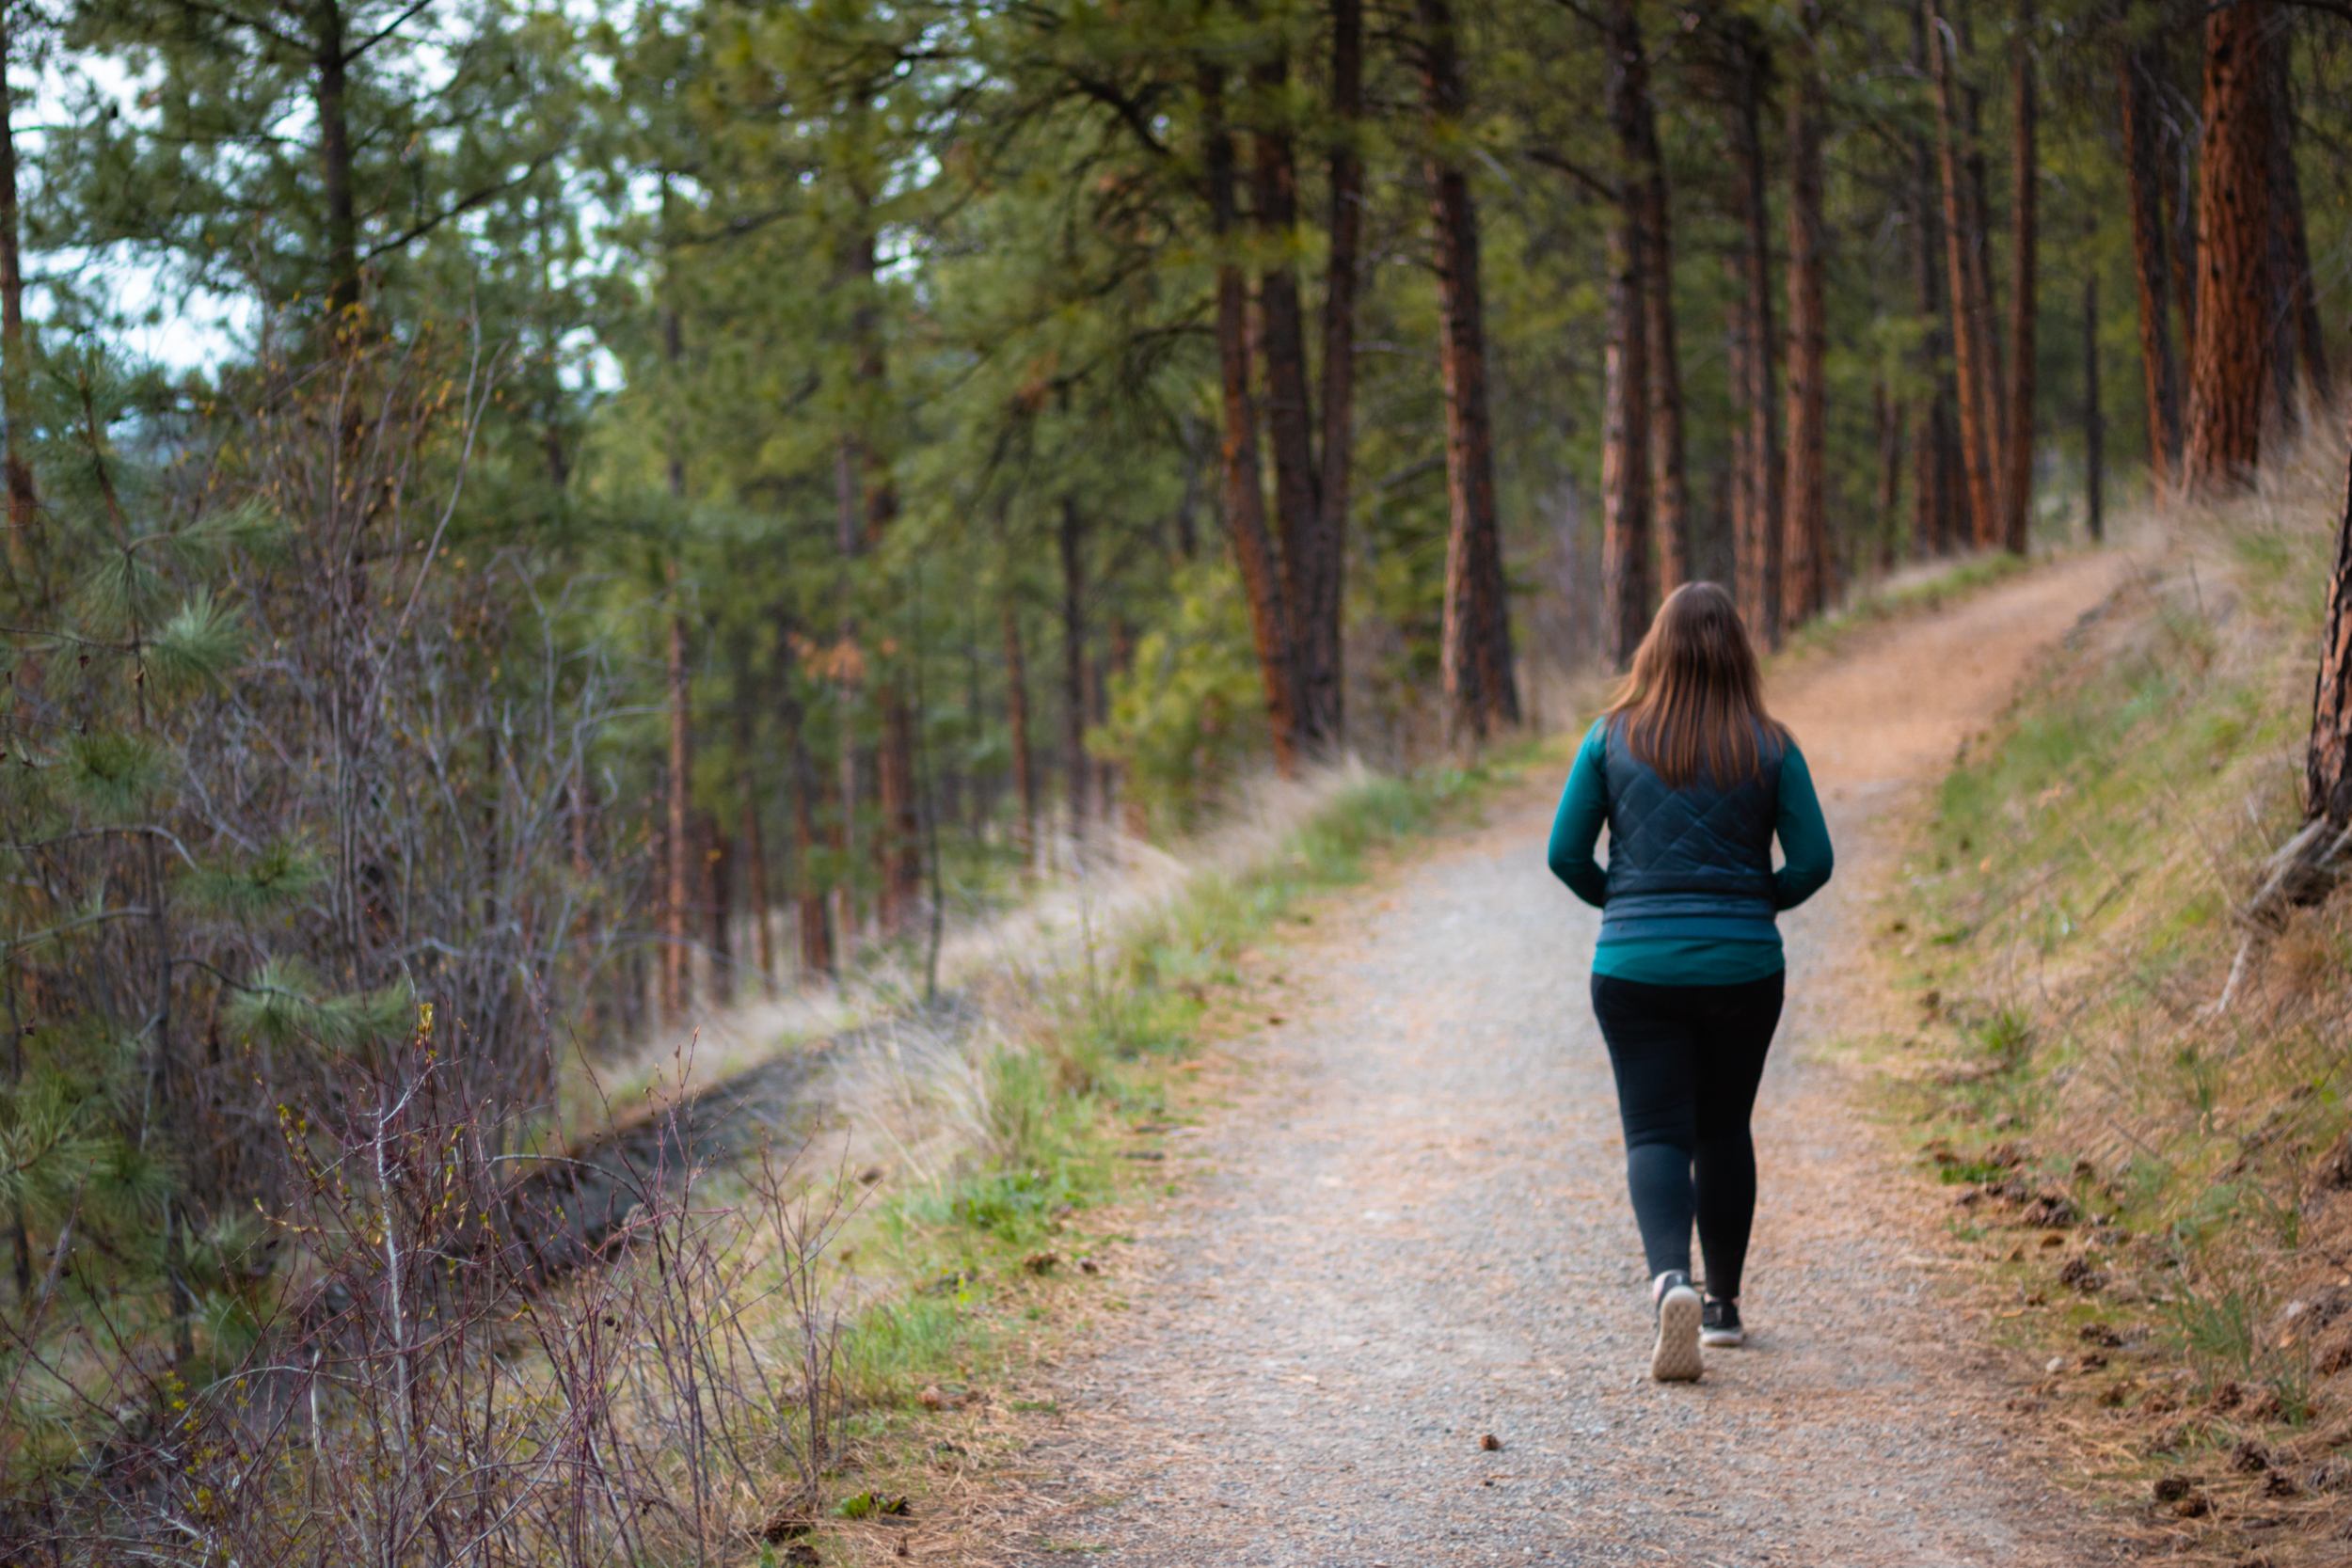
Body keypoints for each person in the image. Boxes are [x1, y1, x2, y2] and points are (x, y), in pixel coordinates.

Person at [1545, 582, 1833, 1383]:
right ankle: (1725, 1310)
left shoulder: (1609, 739)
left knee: (1656, 1133)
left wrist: (1625, 904)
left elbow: (1565, 853)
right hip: (1744, 964)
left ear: (1654, 650)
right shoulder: (1772, 745)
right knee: (1723, 1128)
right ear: (1740, 654)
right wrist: (1752, 904)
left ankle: (1671, 1277)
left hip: (1634, 965)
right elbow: (1814, 862)